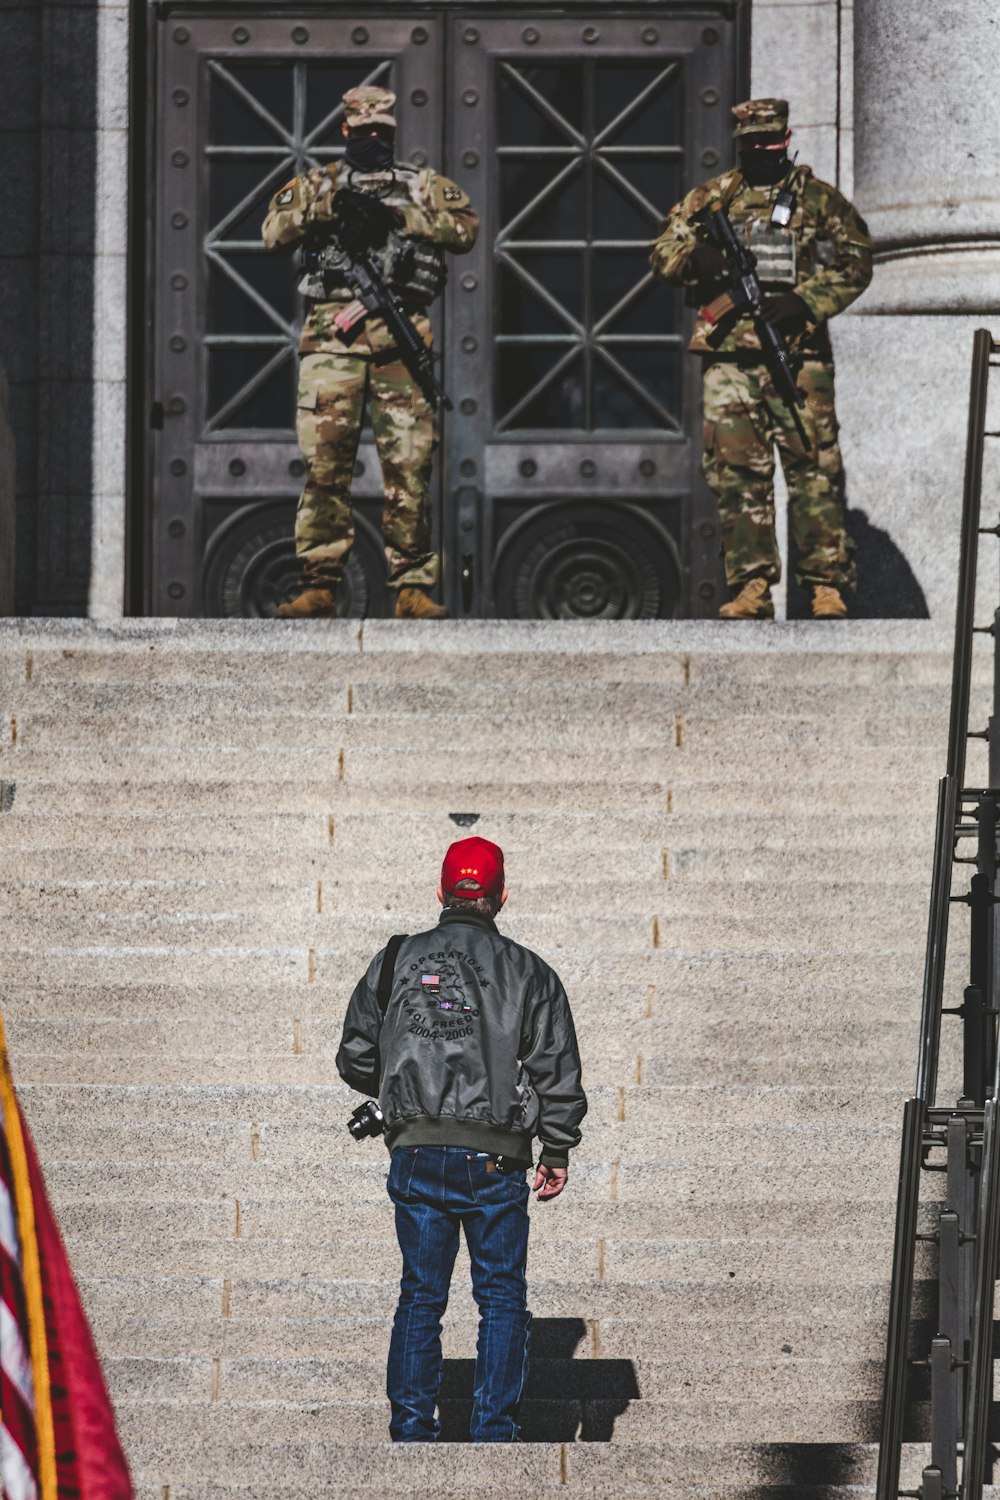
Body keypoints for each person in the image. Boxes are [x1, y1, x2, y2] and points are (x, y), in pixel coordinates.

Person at [336, 836, 587, 1442]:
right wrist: (556, 1148)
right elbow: (556, 1068)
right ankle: (494, 1433)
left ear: (443, 892)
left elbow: (353, 1057)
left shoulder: (396, 958)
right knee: (501, 1299)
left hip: (417, 1150)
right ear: (501, 896)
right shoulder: (531, 971)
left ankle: (412, 1428)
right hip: (497, 1158)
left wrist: (404, 1083)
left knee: (421, 1297)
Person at [261, 85, 479, 620]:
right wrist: (330, 208)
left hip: (400, 343)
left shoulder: (422, 186)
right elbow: (272, 232)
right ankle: (319, 585)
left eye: (381, 134)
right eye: (363, 135)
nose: (372, 142)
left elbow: (466, 229)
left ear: (394, 133)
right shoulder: (318, 184)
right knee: (325, 469)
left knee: (409, 469)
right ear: (344, 132)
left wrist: (402, 220)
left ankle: (411, 587)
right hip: (331, 344)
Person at [650, 98, 873, 619]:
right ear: (739, 142)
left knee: (814, 469)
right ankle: (750, 587)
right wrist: (698, 260)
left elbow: (857, 262)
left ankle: (826, 587)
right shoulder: (713, 198)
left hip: (798, 356)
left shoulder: (818, 200)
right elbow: (661, 250)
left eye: (771, 141)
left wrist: (803, 302)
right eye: (752, 142)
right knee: (736, 476)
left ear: (787, 136)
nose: (763, 150)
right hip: (729, 359)